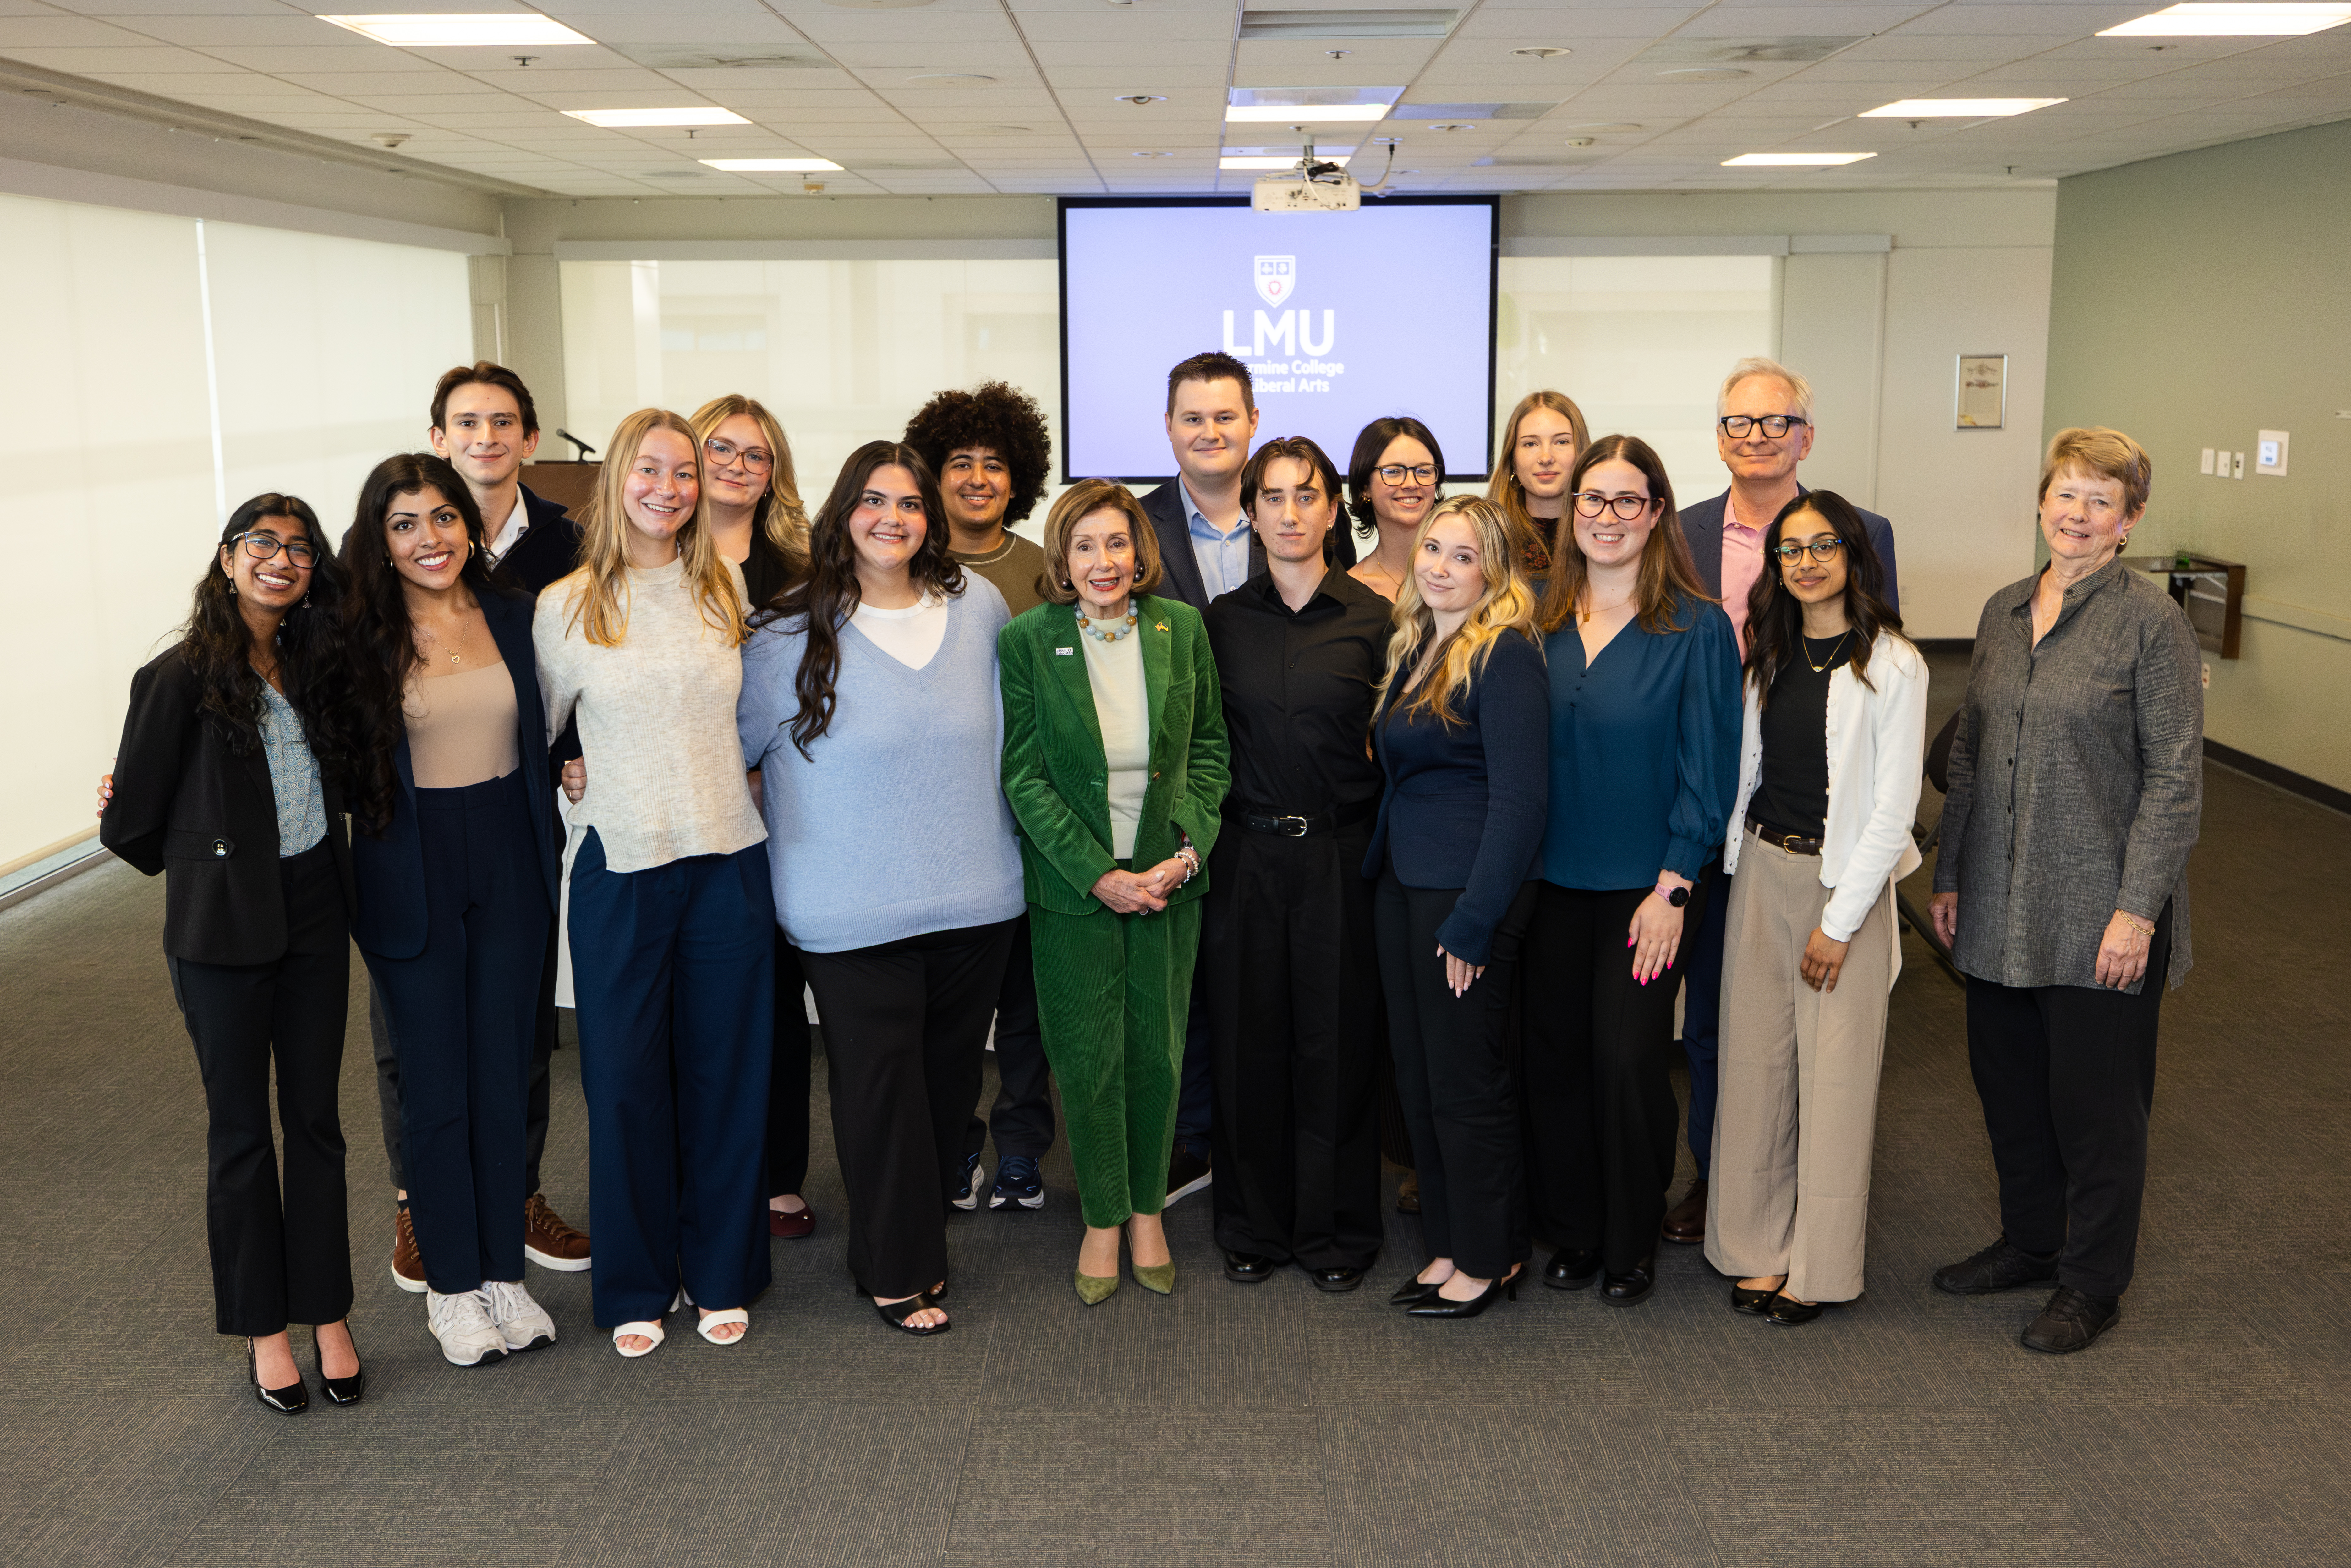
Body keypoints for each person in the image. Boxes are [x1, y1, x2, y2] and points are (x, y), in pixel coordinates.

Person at [739, 441, 1023, 1336]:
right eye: (872, 500)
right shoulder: (786, 628)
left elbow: (1011, 741)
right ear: (841, 514)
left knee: (945, 1091)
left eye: (909, 502)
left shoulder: (980, 607)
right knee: (877, 1087)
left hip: (976, 894)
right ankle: (898, 1268)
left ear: (931, 518)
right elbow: (739, 755)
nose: (891, 518)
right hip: (847, 907)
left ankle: (901, 1236)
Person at [1928, 427, 2202, 1356]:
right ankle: (2029, 1240)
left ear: (2128, 523)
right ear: (2041, 502)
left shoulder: (2149, 622)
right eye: (2065, 494)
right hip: (1999, 905)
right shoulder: (2005, 609)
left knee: (2095, 1108)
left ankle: (2091, 1282)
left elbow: (2173, 778)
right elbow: (1967, 761)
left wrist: (2138, 909)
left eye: (2100, 501)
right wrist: (1951, 873)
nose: (2077, 513)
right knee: (2008, 1090)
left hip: (2098, 910)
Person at [100, 494, 364, 1412]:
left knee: (320, 1126)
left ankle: (328, 1312)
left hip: (315, 916)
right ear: (227, 557)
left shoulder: (314, 661)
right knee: (244, 1135)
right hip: (221, 932)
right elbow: (130, 826)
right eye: (263, 543)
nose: (281, 560)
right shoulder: (176, 676)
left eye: (299, 548)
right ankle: (265, 1331)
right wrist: (204, 833)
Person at [534, 408, 774, 1357]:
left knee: (725, 1077)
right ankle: (637, 1280)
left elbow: (749, 718)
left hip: (726, 859)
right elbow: (545, 731)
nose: (669, 488)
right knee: (625, 1082)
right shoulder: (565, 603)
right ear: (617, 480)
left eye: (686, 471)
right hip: (621, 865)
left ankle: (719, 1270)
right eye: (650, 470)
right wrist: (567, 764)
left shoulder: (726, 590)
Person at [360, 361, 589, 1291]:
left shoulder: (550, 567)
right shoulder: (369, 596)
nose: (487, 436)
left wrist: (575, 745)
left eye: (504, 421)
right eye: (468, 421)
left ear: (530, 439)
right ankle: (426, 1216)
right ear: (442, 436)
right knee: (416, 1048)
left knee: (513, 1040)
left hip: (512, 834)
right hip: (411, 846)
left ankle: (510, 1213)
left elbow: (578, 671)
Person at [1665, 356, 1900, 1248]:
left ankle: (1805, 1186)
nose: (1755, 438)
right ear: (1718, 436)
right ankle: (1716, 1176)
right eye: (1738, 423)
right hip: (1707, 800)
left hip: (1812, 807)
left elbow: (1880, 665)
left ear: (1806, 434)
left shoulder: (1860, 527)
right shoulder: (1680, 531)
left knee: (1816, 1021)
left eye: (1774, 423)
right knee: (1721, 1015)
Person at [340, 453, 566, 1367]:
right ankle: (453, 1289)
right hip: (411, 859)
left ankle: (502, 1273)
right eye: (405, 524)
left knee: (503, 1073)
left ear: (468, 526)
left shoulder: (516, 613)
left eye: (442, 517)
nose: (428, 538)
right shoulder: (357, 633)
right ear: (381, 541)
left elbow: (564, 716)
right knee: (435, 1086)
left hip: (510, 853)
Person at [1520, 435, 1740, 1306]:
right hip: (1544, 882)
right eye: (1591, 499)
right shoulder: (1532, 615)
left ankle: (1630, 1232)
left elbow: (1708, 770)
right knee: (1557, 1060)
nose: (1605, 517)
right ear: (1570, 511)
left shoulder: (1697, 624)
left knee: (1626, 1057)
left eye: (1625, 500)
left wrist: (1674, 886)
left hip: (1643, 888)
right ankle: (1571, 1230)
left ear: (1655, 513)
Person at [999, 479, 1229, 1303]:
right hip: (1076, 891)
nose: (1104, 560)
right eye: (1086, 545)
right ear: (1063, 557)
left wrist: (1183, 855)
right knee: (1089, 1060)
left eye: (1118, 543)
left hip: (1170, 884)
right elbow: (1023, 778)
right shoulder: (1029, 641)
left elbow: (1209, 755)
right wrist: (1099, 873)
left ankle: (1146, 1211)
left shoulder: (1182, 629)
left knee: (1159, 1055)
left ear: (1141, 552)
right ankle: (1102, 1214)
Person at [1137, 352, 1355, 1206]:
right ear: (1169, 428)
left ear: (1253, 421)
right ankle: (1198, 1140)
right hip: (1178, 798)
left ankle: (1284, 1158)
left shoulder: (1304, 533)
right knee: (1196, 992)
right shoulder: (1137, 523)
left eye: (1226, 415)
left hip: (1285, 802)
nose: (1210, 431)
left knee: (1285, 1006)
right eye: (1193, 417)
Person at [1706, 490, 1925, 1325]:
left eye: (1822, 544)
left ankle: (1819, 1268)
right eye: (1789, 549)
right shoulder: (1769, 652)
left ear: (1854, 554)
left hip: (1846, 890)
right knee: (1754, 1071)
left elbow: (1892, 806)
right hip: (1761, 871)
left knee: (1833, 1084)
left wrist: (1840, 922)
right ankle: (1755, 1248)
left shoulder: (1895, 662)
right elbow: (1752, 773)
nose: (1805, 561)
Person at [1202, 436, 1391, 1293]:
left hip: (1340, 856)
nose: (1288, 512)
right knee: (1248, 1044)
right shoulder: (1220, 622)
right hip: (1244, 856)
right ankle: (1252, 1225)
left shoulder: (1376, 618)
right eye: (1271, 497)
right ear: (1250, 512)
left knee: (1338, 1045)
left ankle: (1337, 1230)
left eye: (1305, 495)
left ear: (1331, 508)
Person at [1368, 494, 1548, 1320]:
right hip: (1406, 885)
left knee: (1467, 1082)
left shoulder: (1505, 652)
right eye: (1432, 548)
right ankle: (1446, 1240)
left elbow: (1520, 800)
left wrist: (1476, 920)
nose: (1439, 566)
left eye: (1462, 556)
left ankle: (1488, 1252)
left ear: (1494, 573)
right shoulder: (1422, 642)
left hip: (1463, 899)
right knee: (1421, 1077)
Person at [903, 381, 1058, 1214]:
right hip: (943, 828)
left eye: (993, 464)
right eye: (958, 462)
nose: (974, 478)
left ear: (1018, 476)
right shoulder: (901, 566)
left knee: (1029, 1009)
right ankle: (958, 1136)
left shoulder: (1047, 569)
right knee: (950, 1011)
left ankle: (1024, 1148)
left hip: (1034, 824)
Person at [687, 393, 819, 1242]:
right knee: (699, 999)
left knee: (774, 995)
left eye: (757, 454)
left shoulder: (802, 567)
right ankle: (700, 1164)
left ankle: (776, 1175)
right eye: (721, 449)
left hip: (781, 807)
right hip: (687, 803)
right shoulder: (657, 556)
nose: (739, 466)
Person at [1488, 391, 1589, 578]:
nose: (1546, 458)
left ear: (1582, 453)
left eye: (1561, 442)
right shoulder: (1485, 534)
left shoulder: (1603, 531)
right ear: (1513, 460)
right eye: (1531, 444)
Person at [1345, 414, 1445, 603]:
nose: (1411, 484)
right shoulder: (1348, 592)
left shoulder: (1465, 579)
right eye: (1392, 472)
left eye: (1423, 471)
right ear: (1365, 487)